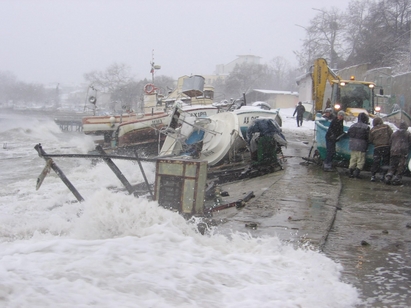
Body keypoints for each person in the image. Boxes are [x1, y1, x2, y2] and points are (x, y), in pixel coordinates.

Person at [385, 121, 411, 185]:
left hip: (393, 151)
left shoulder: (394, 133)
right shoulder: (408, 134)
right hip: (403, 152)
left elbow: (390, 142)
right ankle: (397, 179)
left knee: (392, 165)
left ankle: (388, 177)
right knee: (401, 166)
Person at [369, 117, 393, 182]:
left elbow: (370, 140)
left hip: (377, 147)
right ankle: (382, 175)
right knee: (385, 161)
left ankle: (373, 175)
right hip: (386, 146)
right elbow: (391, 135)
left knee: (376, 161)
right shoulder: (386, 127)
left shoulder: (372, 130)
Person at [347, 112, 370, 178]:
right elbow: (368, 137)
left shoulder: (353, 125)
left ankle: (350, 172)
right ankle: (357, 173)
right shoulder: (366, 127)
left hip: (353, 145)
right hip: (362, 146)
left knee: (353, 159)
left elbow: (349, 133)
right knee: (360, 160)